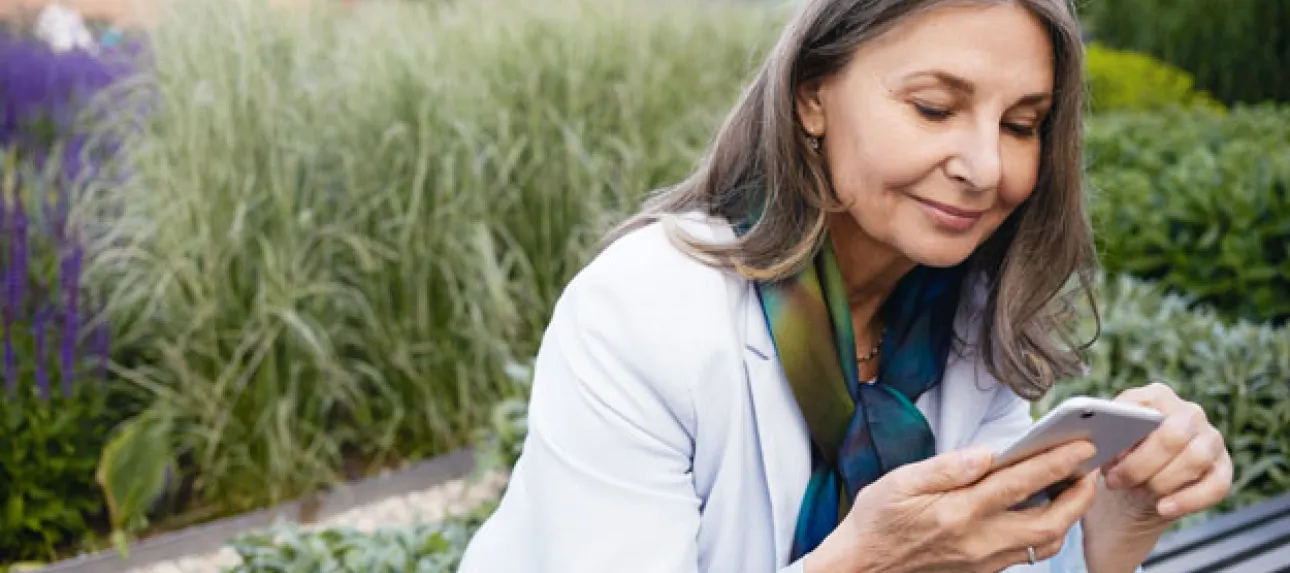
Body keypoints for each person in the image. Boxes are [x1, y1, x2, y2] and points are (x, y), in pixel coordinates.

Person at [456, 0, 1233, 571]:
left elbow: (1016, 560)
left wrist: (1118, 521)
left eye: (1022, 124)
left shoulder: (964, 318)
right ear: (811, 96)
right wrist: (867, 563)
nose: (985, 167)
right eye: (935, 107)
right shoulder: (636, 311)